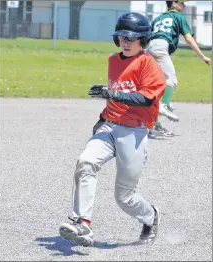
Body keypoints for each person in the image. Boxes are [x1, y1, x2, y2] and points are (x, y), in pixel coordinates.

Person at [59, 12, 166, 247]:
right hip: (109, 126)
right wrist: (101, 117)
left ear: (143, 40)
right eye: (122, 37)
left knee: (125, 196)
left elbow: (147, 99)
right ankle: (82, 223)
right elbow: (113, 99)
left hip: (135, 132)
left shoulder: (148, 64)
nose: (126, 42)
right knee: (86, 162)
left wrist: (115, 94)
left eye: (132, 38)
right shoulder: (113, 61)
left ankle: (151, 216)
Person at [147, 0, 211, 137]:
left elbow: (148, 37)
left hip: (150, 48)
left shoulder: (158, 18)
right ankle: (163, 105)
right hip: (160, 47)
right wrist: (203, 56)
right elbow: (188, 39)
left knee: (155, 88)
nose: (184, 5)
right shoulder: (178, 17)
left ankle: (155, 125)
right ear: (174, 3)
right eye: (182, 3)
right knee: (171, 80)